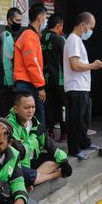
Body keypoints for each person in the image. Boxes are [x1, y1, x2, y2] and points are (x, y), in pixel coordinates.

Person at [7, 91, 72, 188]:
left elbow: (49, 144)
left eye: (33, 107)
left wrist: (64, 160)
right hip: (17, 165)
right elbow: (21, 152)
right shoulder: (8, 125)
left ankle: (35, 178)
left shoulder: (33, 121)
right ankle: (52, 175)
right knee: (25, 174)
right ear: (16, 109)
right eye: (26, 108)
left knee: (57, 159)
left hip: (32, 161)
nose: (31, 111)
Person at [63, 11, 102, 160]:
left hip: (81, 87)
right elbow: (74, 65)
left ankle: (84, 142)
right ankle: (74, 149)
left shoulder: (77, 40)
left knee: (83, 119)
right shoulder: (73, 40)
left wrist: (91, 65)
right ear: (83, 25)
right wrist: (92, 65)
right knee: (76, 120)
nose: (91, 31)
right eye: (91, 27)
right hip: (76, 87)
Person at [14, 3, 48, 125]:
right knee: (36, 117)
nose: (45, 20)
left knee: (27, 119)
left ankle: (34, 142)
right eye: (45, 17)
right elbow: (32, 63)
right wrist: (40, 87)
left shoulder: (29, 35)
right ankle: (40, 142)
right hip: (28, 83)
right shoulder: (29, 35)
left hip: (26, 82)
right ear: (40, 17)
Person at [41, 13, 68, 141]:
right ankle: (64, 132)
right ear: (59, 26)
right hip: (59, 80)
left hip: (45, 80)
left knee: (49, 106)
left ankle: (50, 132)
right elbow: (66, 61)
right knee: (63, 106)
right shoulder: (60, 39)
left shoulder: (41, 38)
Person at [0, 7, 23, 116]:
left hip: (5, 82)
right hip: (7, 83)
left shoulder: (8, 35)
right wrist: (12, 84)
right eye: (17, 20)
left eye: (21, 20)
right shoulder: (7, 36)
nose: (19, 23)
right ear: (9, 21)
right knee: (9, 112)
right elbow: (7, 62)